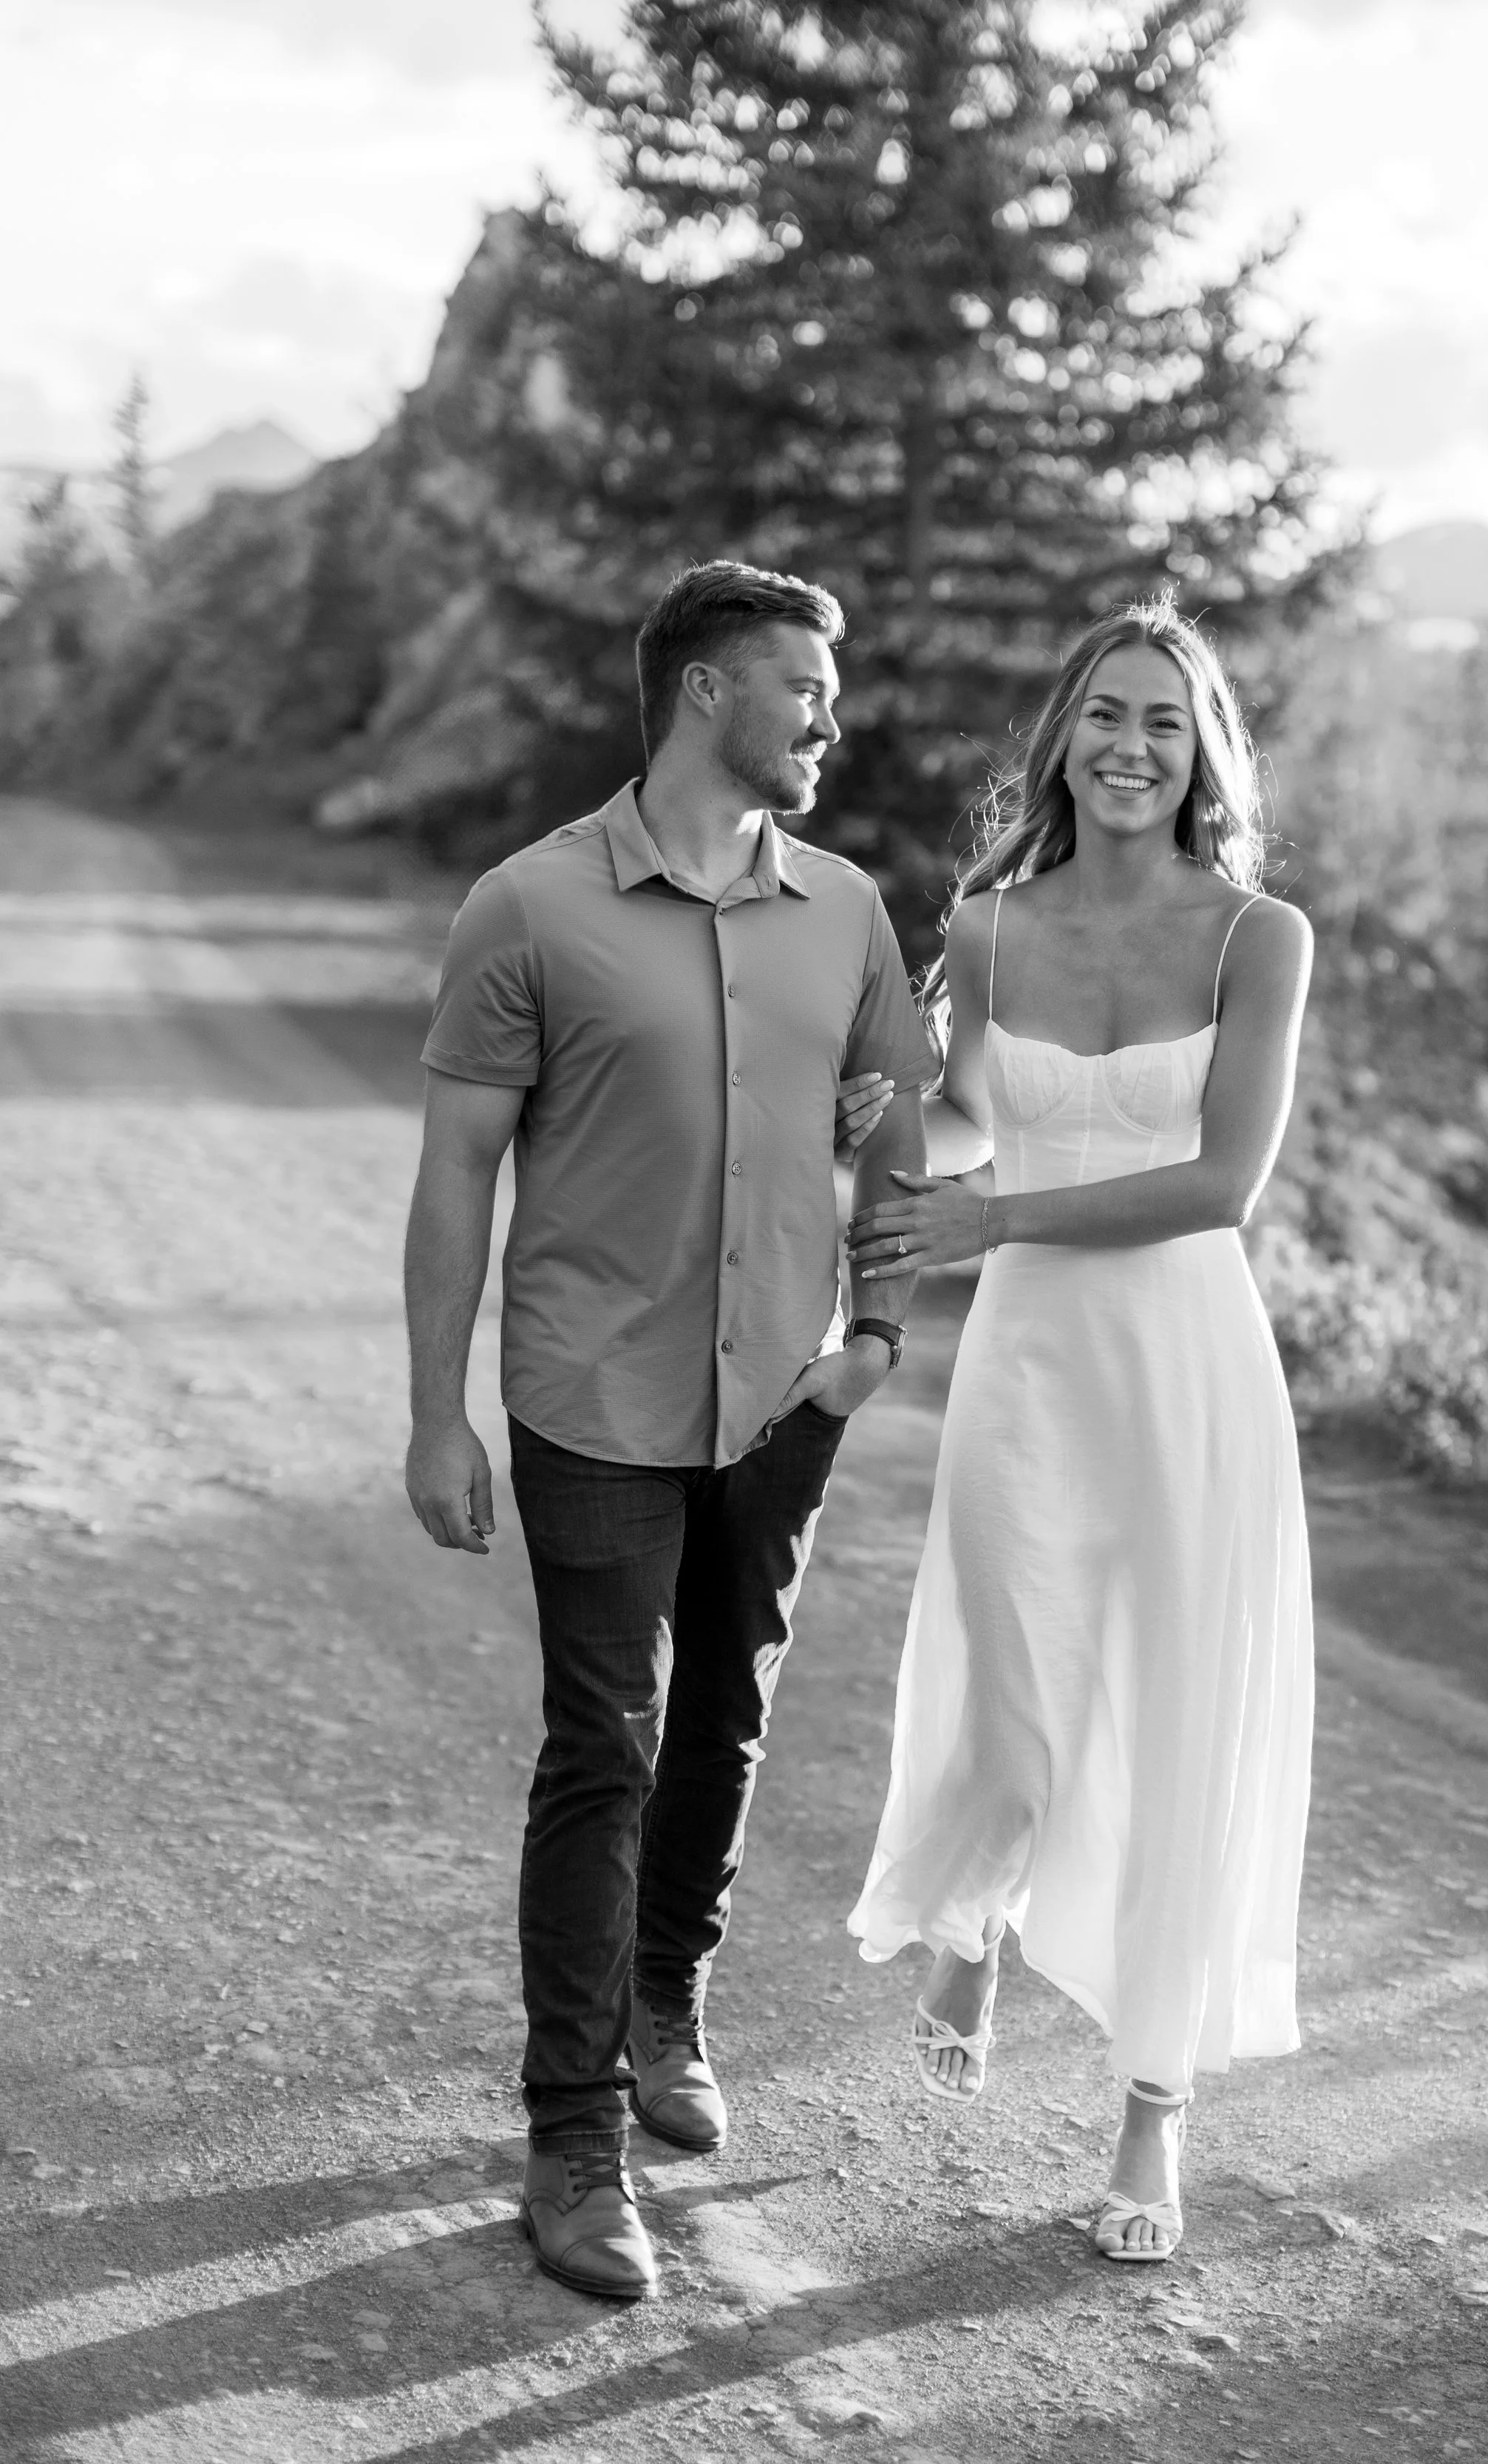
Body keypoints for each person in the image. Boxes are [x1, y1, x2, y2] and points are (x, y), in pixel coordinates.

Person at [403, 560, 934, 2301]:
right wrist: (436, 1416)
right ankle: (571, 2137)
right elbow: (456, 1178)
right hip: (595, 1399)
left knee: (726, 1718)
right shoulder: (528, 909)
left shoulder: (847, 910)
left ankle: (662, 1998)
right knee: (602, 1745)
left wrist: (870, 1334)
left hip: (782, 1396)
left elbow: (898, 1134)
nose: (824, 718)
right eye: (800, 685)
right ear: (708, 693)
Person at [844, 597, 1315, 2264]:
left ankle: (1149, 2123)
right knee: (1014, 1661)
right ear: (1061, 739)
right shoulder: (982, 925)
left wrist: (989, 1232)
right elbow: (977, 1113)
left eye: (1163, 723)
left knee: (1181, 1714)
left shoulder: (1259, 937)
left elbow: (1218, 1186)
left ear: (1202, 757)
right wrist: (900, 1129)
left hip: (1185, 1364)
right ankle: (975, 1905)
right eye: (1104, 716)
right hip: (1027, 1366)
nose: (1129, 746)